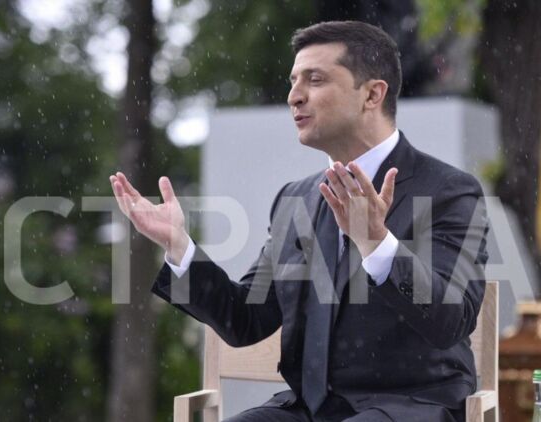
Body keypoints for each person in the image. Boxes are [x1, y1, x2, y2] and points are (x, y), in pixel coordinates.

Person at [110, 20, 489, 422]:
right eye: (294, 81)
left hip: (412, 408)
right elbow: (246, 320)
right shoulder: (296, 201)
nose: (294, 96)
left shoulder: (450, 191)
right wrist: (179, 246)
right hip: (308, 410)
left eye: (315, 79)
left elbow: (452, 320)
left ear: (372, 94)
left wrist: (377, 243)